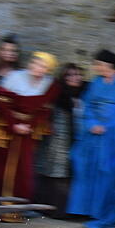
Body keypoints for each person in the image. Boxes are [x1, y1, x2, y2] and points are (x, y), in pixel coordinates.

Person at [67, 50, 115, 228]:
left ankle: (108, 216)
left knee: (110, 174)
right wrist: (92, 123)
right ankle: (90, 211)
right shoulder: (96, 82)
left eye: (98, 64)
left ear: (108, 65)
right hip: (94, 134)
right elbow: (88, 106)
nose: (96, 68)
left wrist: (110, 126)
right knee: (85, 165)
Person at [0, 52, 60, 222]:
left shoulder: (50, 85)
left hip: (27, 133)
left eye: (43, 66)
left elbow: (45, 110)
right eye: (35, 63)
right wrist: (14, 124)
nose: (37, 68)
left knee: (22, 171)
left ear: (48, 70)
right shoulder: (14, 77)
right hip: (6, 130)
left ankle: (15, 211)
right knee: (0, 169)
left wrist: (29, 126)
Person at [34, 63, 86, 219]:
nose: (75, 78)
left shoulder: (84, 95)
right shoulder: (58, 95)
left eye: (77, 74)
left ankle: (65, 209)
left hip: (76, 140)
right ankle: (53, 210)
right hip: (57, 140)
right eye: (70, 75)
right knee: (56, 176)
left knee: (69, 176)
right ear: (63, 78)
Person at [0, 34, 22, 155]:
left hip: (7, 126)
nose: (9, 53)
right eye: (5, 50)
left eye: (13, 50)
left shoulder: (20, 76)